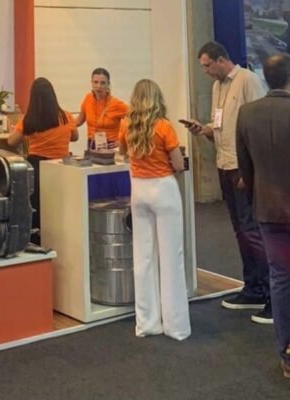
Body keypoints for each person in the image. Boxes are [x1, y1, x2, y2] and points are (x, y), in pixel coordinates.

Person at [187, 41, 271, 323]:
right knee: (240, 230)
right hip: (224, 163)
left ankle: (270, 293)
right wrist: (204, 130)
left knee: (251, 230)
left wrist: (252, 170)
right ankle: (253, 287)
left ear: (221, 60)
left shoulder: (248, 81)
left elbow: (260, 125)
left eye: (207, 66)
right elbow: (220, 126)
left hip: (242, 167)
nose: (206, 71)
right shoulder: (216, 87)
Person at [119, 79, 190, 341]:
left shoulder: (126, 125)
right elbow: (178, 164)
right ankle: (176, 326)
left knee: (143, 257)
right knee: (171, 257)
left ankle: (146, 323)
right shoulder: (164, 126)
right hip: (163, 189)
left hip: (138, 189)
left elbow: (122, 152)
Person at [236, 53, 290, 378]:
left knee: (280, 280)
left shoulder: (246, 113)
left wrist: (258, 196)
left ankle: (287, 356)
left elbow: (245, 168)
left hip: (268, 210)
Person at [8, 77, 78, 244]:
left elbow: (11, 141)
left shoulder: (29, 120)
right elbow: (75, 137)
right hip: (61, 168)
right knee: (58, 205)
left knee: (38, 205)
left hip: (37, 167)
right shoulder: (66, 117)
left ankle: (37, 238)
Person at [77, 68, 127, 150]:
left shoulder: (116, 104)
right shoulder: (88, 98)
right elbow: (79, 121)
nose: (98, 86)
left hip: (111, 146)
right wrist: (63, 123)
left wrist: (123, 140)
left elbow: (137, 120)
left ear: (108, 84)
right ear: (91, 83)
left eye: (103, 83)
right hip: (92, 143)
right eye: (95, 82)